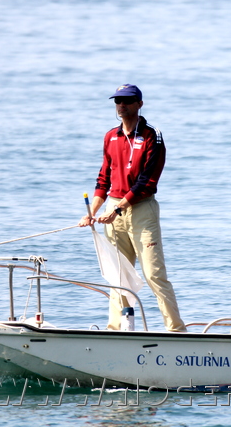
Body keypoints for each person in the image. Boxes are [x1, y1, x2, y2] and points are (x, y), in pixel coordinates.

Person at [79, 84, 186, 332]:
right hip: (113, 210)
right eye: (118, 101)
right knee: (118, 277)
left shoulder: (152, 136)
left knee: (153, 275)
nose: (121, 105)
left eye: (127, 101)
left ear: (139, 104)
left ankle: (177, 330)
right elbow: (103, 179)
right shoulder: (110, 137)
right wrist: (92, 213)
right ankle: (117, 330)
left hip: (141, 210)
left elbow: (147, 182)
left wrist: (117, 209)